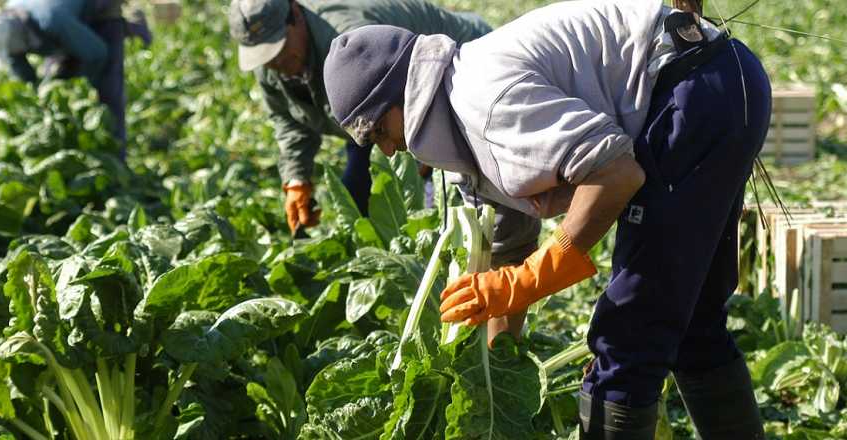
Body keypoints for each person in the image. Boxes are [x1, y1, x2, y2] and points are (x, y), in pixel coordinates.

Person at [321, 0, 771, 438]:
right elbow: (508, 246)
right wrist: (496, 369)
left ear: (405, 94)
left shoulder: (484, 101)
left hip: (696, 94)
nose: (386, 149)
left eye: (380, 129)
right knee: (691, 321)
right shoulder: (460, 124)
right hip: (722, 82)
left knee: (628, 335)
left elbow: (616, 173)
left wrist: (540, 273)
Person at [229, 0, 503, 235]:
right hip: (377, 113)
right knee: (357, 192)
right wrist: (297, 179)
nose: (274, 63)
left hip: (459, 71)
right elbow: (288, 120)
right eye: (264, 56)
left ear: (296, 15)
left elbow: (407, 102)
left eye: (278, 48)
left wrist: (424, 159)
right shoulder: (272, 65)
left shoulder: (348, 38)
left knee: (470, 187)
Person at [0, 0, 151, 154]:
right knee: (56, 81)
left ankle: (117, 162)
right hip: (64, 21)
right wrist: (38, 98)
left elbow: (98, 54)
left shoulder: (49, 20)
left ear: (16, 37)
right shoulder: (10, 27)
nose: (12, 54)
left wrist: (77, 84)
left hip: (99, 12)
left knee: (107, 93)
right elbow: (21, 69)